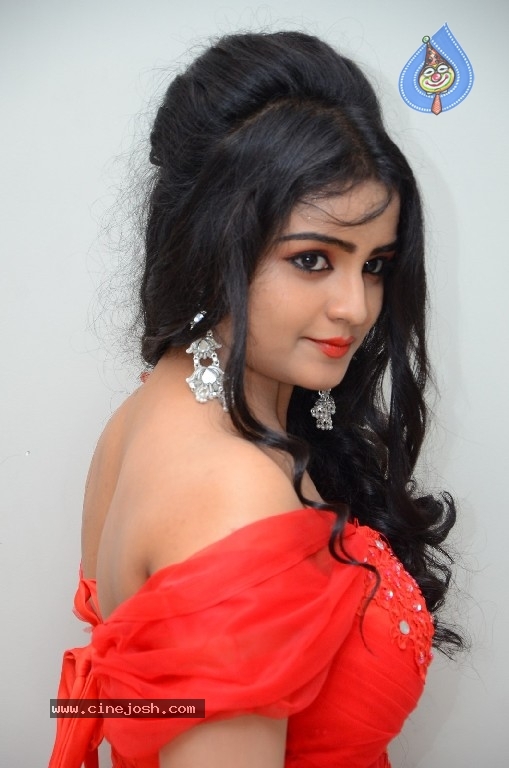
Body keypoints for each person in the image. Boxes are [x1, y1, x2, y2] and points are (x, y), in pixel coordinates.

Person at [49, 30, 463, 768]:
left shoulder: (151, 412)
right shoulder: (230, 490)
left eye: (375, 265)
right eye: (313, 259)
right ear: (212, 245)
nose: (356, 308)